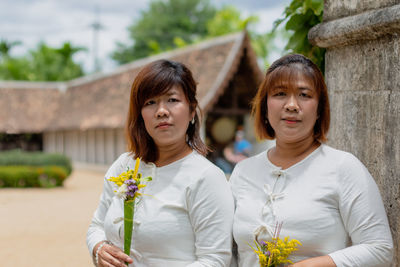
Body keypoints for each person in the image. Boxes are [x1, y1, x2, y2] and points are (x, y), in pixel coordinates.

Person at [230, 54, 393, 266]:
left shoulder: (343, 167)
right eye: (280, 94)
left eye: (304, 95)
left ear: (319, 109)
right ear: (265, 105)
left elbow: (380, 248)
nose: (291, 105)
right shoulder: (243, 171)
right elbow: (225, 251)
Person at [87, 59, 234, 267]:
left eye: (172, 100)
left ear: (192, 111)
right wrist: (99, 248)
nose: (161, 111)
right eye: (150, 103)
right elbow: (96, 226)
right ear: (140, 114)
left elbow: (215, 260)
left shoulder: (206, 178)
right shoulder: (125, 166)